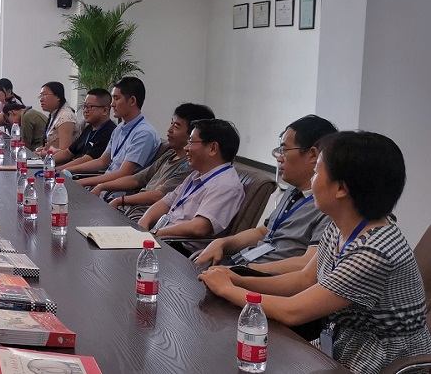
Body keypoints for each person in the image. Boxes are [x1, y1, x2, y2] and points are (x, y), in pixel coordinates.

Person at [199, 131, 431, 374]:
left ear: (341, 188)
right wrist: (238, 279)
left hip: (382, 358)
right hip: (345, 341)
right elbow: (305, 279)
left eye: (317, 171)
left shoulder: (374, 251)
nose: (312, 179)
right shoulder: (340, 225)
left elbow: (293, 311)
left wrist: (227, 289)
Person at [194, 115, 337, 272]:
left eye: (285, 150)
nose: (279, 158)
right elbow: (263, 232)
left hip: (263, 278)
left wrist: (243, 270)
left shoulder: (329, 207)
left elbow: (307, 265)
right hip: (241, 265)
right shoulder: (293, 190)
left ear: (313, 155)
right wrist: (222, 243)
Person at [137, 119, 245, 253]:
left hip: (180, 250)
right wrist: (144, 222)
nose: (186, 148)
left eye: (191, 142)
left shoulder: (225, 185)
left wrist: (155, 233)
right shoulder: (198, 174)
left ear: (212, 148)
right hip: (163, 238)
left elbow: (198, 228)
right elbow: (166, 202)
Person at [88, 103, 215, 210]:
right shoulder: (169, 154)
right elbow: (136, 179)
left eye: (176, 127)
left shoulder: (190, 166)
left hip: (143, 212)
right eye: (171, 124)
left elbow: (158, 195)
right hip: (132, 208)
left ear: (193, 134)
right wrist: (102, 186)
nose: (169, 130)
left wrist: (121, 200)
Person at [68, 76, 159, 187]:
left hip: (118, 192)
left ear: (132, 101)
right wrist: (68, 170)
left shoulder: (144, 133)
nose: (112, 104)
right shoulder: (119, 129)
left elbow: (123, 174)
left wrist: (80, 183)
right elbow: (102, 162)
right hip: (103, 187)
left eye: (116, 98)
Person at [52, 88, 116, 167]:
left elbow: (87, 159)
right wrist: (46, 163)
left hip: (85, 172)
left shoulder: (109, 132)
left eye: (89, 107)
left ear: (104, 111)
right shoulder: (89, 128)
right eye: (84, 106)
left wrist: (61, 169)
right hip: (72, 169)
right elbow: (68, 152)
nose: (85, 110)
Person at [35, 81, 82, 156]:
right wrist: (43, 149)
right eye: (41, 96)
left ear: (58, 97)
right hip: (52, 158)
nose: (41, 99)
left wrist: (41, 154)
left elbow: (64, 152)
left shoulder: (65, 117)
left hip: (64, 161)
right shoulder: (55, 114)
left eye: (45, 95)